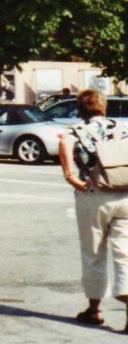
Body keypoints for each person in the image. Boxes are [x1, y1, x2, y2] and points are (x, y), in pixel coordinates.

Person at [59, 88, 128, 331]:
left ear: (79, 108)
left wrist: (75, 180)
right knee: (125, 253)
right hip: (125, 194)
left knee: (93, 252)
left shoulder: (74, 131)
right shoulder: (122, 128)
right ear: (103, 106)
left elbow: (66, 160)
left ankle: (94, 309)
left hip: (93, 195)